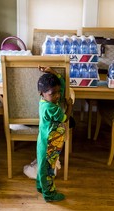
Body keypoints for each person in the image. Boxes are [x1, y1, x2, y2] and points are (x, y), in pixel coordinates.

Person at [36, 66, 73, 202]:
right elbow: (65, 118)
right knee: (49, 170)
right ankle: (49, 195)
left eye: (58, 92)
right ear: (42, 93)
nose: (58, 96)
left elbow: (62, 85)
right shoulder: (51, 108)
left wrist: (53, 72)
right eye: (53, 93)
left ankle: (41, 186)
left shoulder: (46, 101)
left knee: (43, 166)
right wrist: (70, 106)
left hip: (45, 140)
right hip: (50, 144)